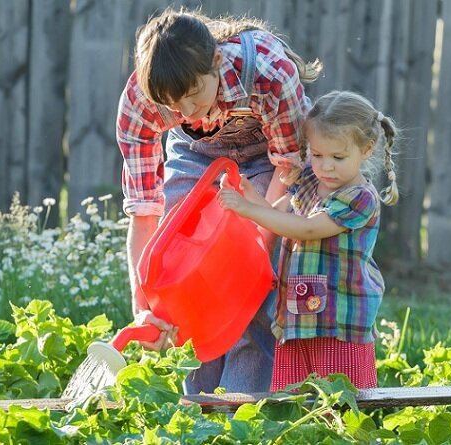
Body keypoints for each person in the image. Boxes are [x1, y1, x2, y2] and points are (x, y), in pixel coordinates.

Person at [116, 7, 321, 394]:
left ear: (215, 62)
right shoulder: (139, 105)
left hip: (269, 158)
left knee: (256, 292)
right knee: (178, 273)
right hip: (195, 153)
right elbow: (145, 215)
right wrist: (144, 306)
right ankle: (195, 408)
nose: (187, 111)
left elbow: (288, 168)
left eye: (193, 95)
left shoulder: (267, 71)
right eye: (173, 106)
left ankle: (239, 410)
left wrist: (254, 255)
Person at [218, 90, 399, 389]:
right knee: (293, 403)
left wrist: (247, 209)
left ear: (366, 149)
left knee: (340, 405)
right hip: (297, 320)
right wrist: (248, 194)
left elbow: (307, 229)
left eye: (338, 157)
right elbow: (279, 215)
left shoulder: (360, 198)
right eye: (317, 155)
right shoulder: (311, 183)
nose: (325, 166)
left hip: (338, 326)